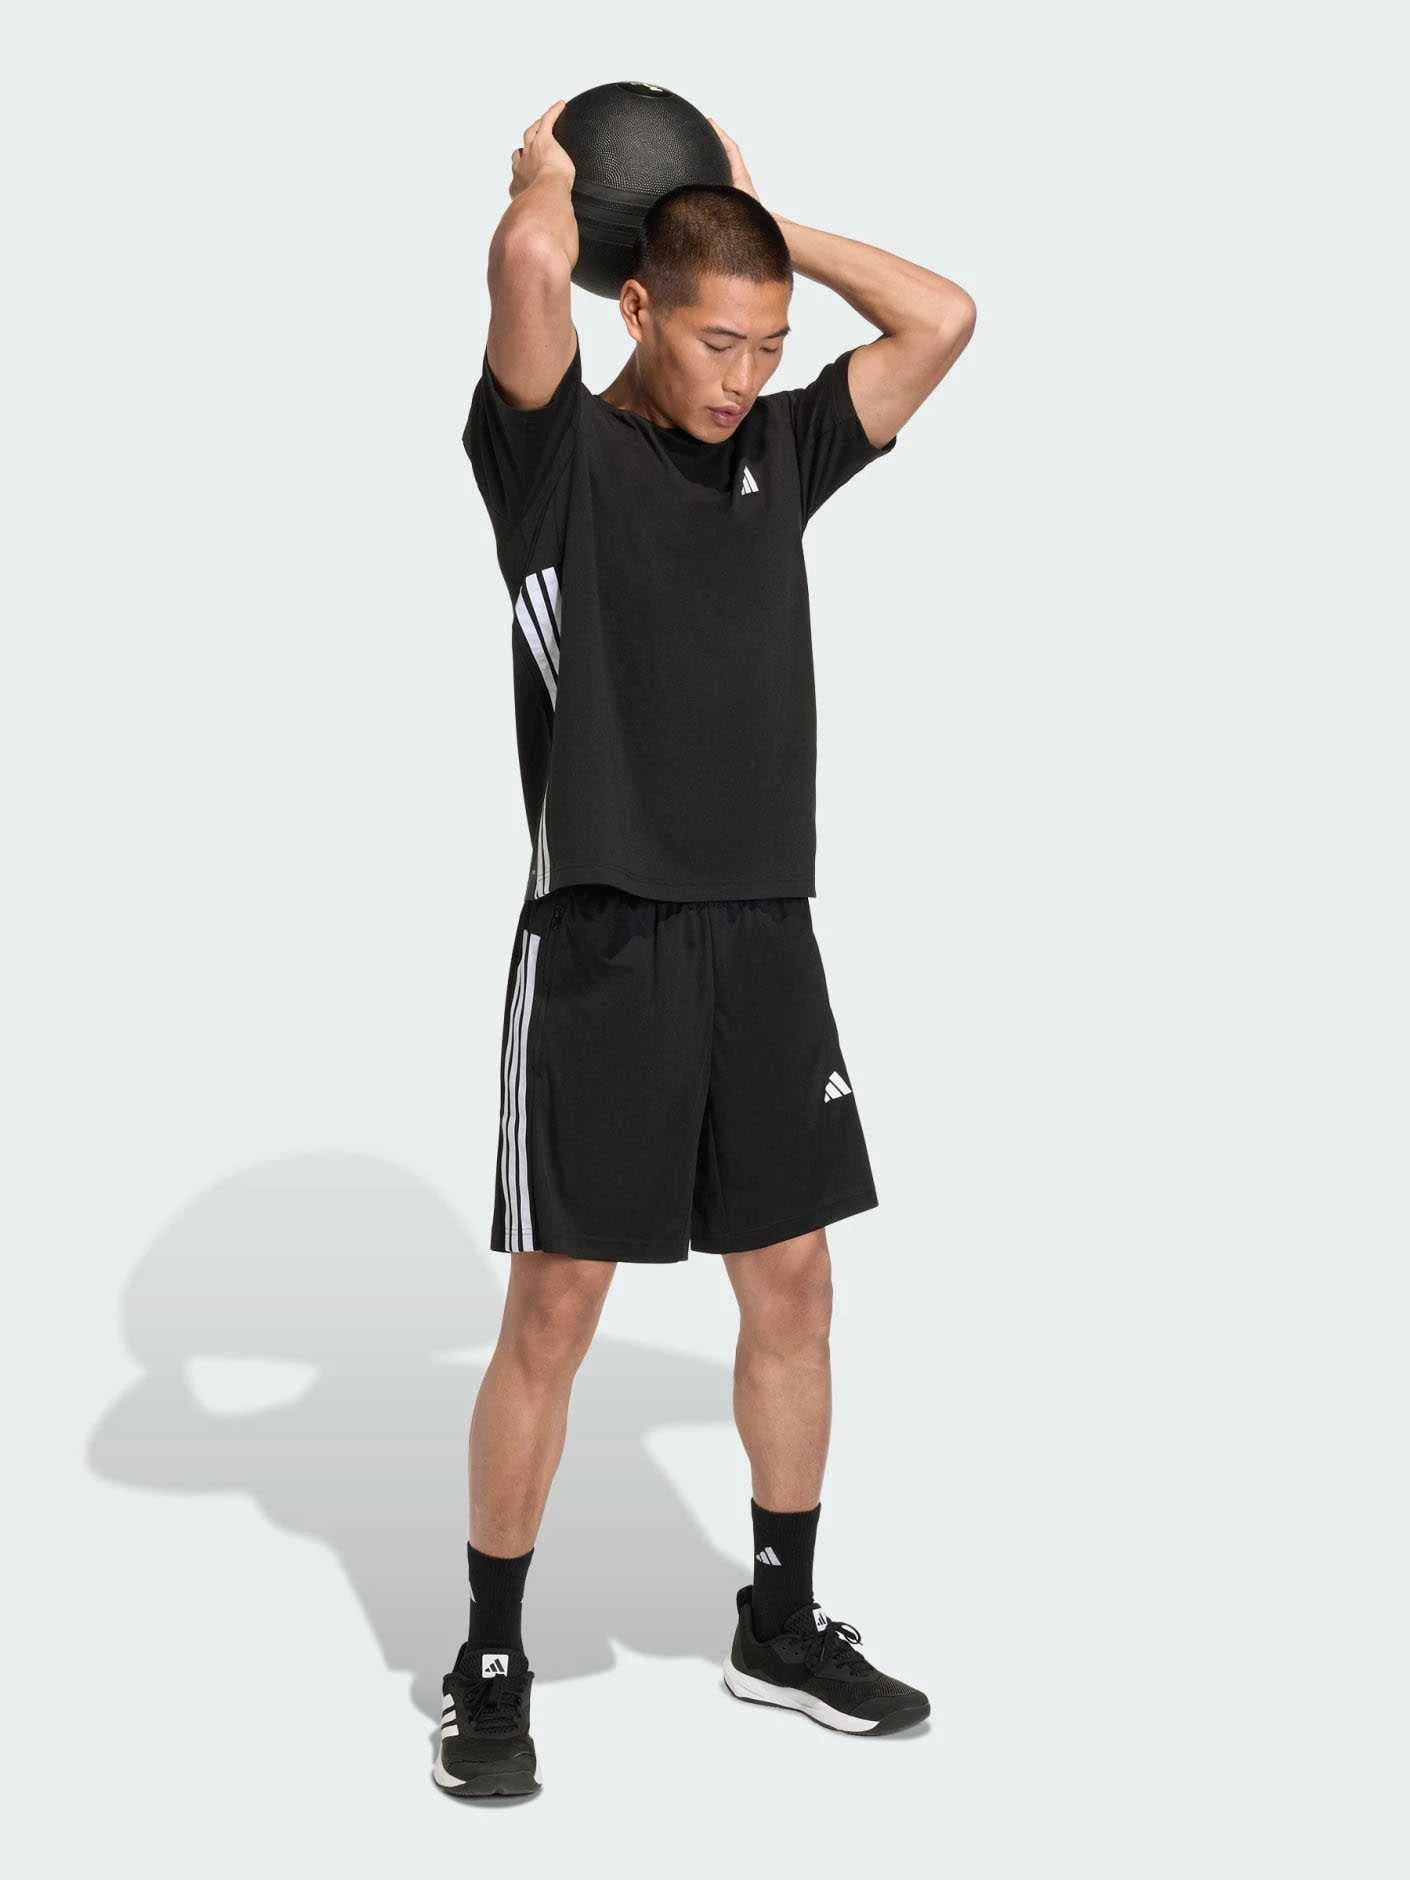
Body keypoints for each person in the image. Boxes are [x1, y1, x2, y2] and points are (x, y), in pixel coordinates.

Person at [435, 100, 976, 1799]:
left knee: (795, 1283)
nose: (743, 376)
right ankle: (489, 1658)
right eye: (713, 339)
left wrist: (752, 218)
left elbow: (942, 317)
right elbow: (528, 265)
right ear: (636, 308)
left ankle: (780, 1622)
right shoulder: (548, 461)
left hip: (763, 932)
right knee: (557, 1306)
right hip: (602, 935)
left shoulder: (780, 452)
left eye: (767, 347)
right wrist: (550, 180)